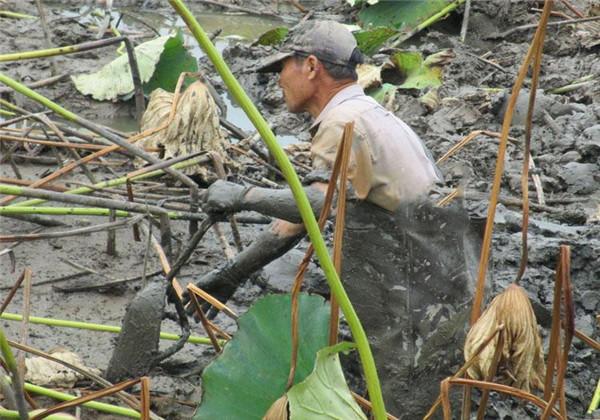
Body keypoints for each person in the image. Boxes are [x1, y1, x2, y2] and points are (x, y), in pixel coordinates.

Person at [195, 20, 480, 417]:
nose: (279, 80)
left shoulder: (340, 122)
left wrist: (241, 196)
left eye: (283, 68)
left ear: (311, 66)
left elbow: (312, 206)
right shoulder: (364, 112)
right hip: (437, 270)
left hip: (411, 276)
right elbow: (304, 219)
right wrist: (232, 273)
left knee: (403, 392)